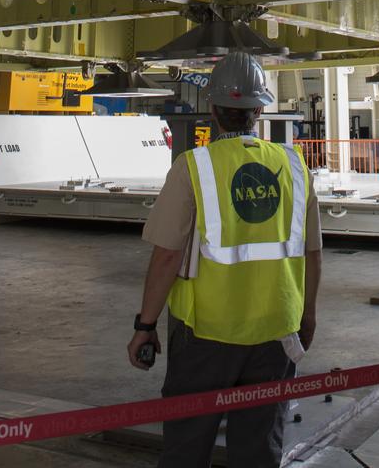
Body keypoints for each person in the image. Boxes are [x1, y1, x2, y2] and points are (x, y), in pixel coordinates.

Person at [127, 51, 322, 468]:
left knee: (187, 445)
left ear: (212, 109)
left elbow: (166, 257)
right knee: (258, 449)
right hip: (277, 333)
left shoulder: (192, 167)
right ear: (258, 109)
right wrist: (307, 317)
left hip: (205, 335)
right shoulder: (294, 166)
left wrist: (145, 326)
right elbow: (312, 251)